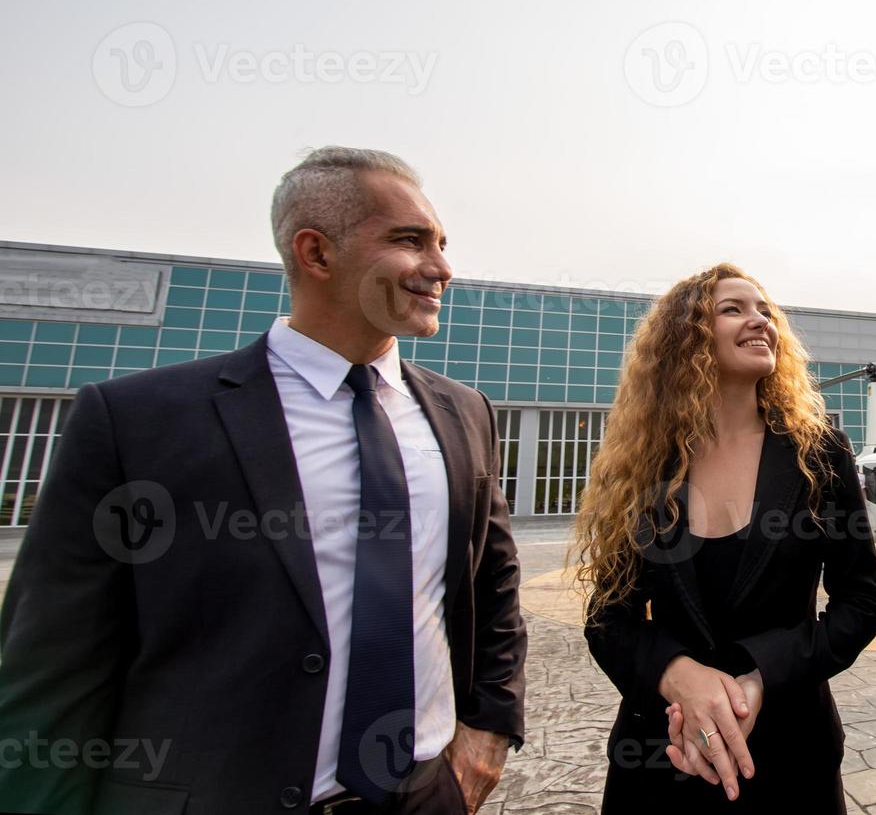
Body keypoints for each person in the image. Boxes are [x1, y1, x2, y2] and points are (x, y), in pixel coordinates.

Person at [0, 147, 526, 815]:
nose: (442, 267)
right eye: (410, 240)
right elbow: (51, 665)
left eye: (442, 244)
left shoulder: (464, 414)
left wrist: (489, 730)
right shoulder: (135, 421)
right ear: (316, 252)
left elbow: (493, 584)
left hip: (426, 796)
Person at [573, 263, 876, 813]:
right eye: (733, 309)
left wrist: (761, 676)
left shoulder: (820, 453)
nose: (759, 320)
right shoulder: (644, 463)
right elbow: (608, 618)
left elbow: (862, 602)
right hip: (661, 754)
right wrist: (677, 678)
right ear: (687, 339)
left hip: (790, 753)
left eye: (765, 310)